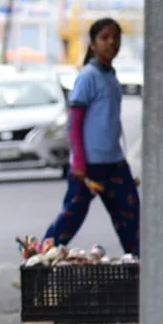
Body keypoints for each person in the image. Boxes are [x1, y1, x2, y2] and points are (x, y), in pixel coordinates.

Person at [42, 18, 140, 256]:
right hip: (88, 166)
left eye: (116, 37)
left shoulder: (111, 76)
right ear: (93, 44)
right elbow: (75, 120)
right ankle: (39, 259)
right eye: (104, 38)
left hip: (114, 163)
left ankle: (142, 269)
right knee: (71, 216)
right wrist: (78, 161)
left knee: (131, 217)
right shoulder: (88, 76)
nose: (112, 42)